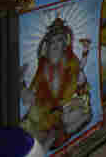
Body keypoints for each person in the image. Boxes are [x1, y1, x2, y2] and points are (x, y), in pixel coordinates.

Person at [20, 17, 92, 150]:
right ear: (47, 44)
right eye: (52, 41)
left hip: (69, 104)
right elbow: (32, 93)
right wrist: (22, 85)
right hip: (48, 108)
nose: (55, 45)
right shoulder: (44, 65)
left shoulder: (71, 61)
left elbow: (77, 81)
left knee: (67, 117)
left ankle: (52, 135)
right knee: (33, 118)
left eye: (59, 40)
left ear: (64, 43)